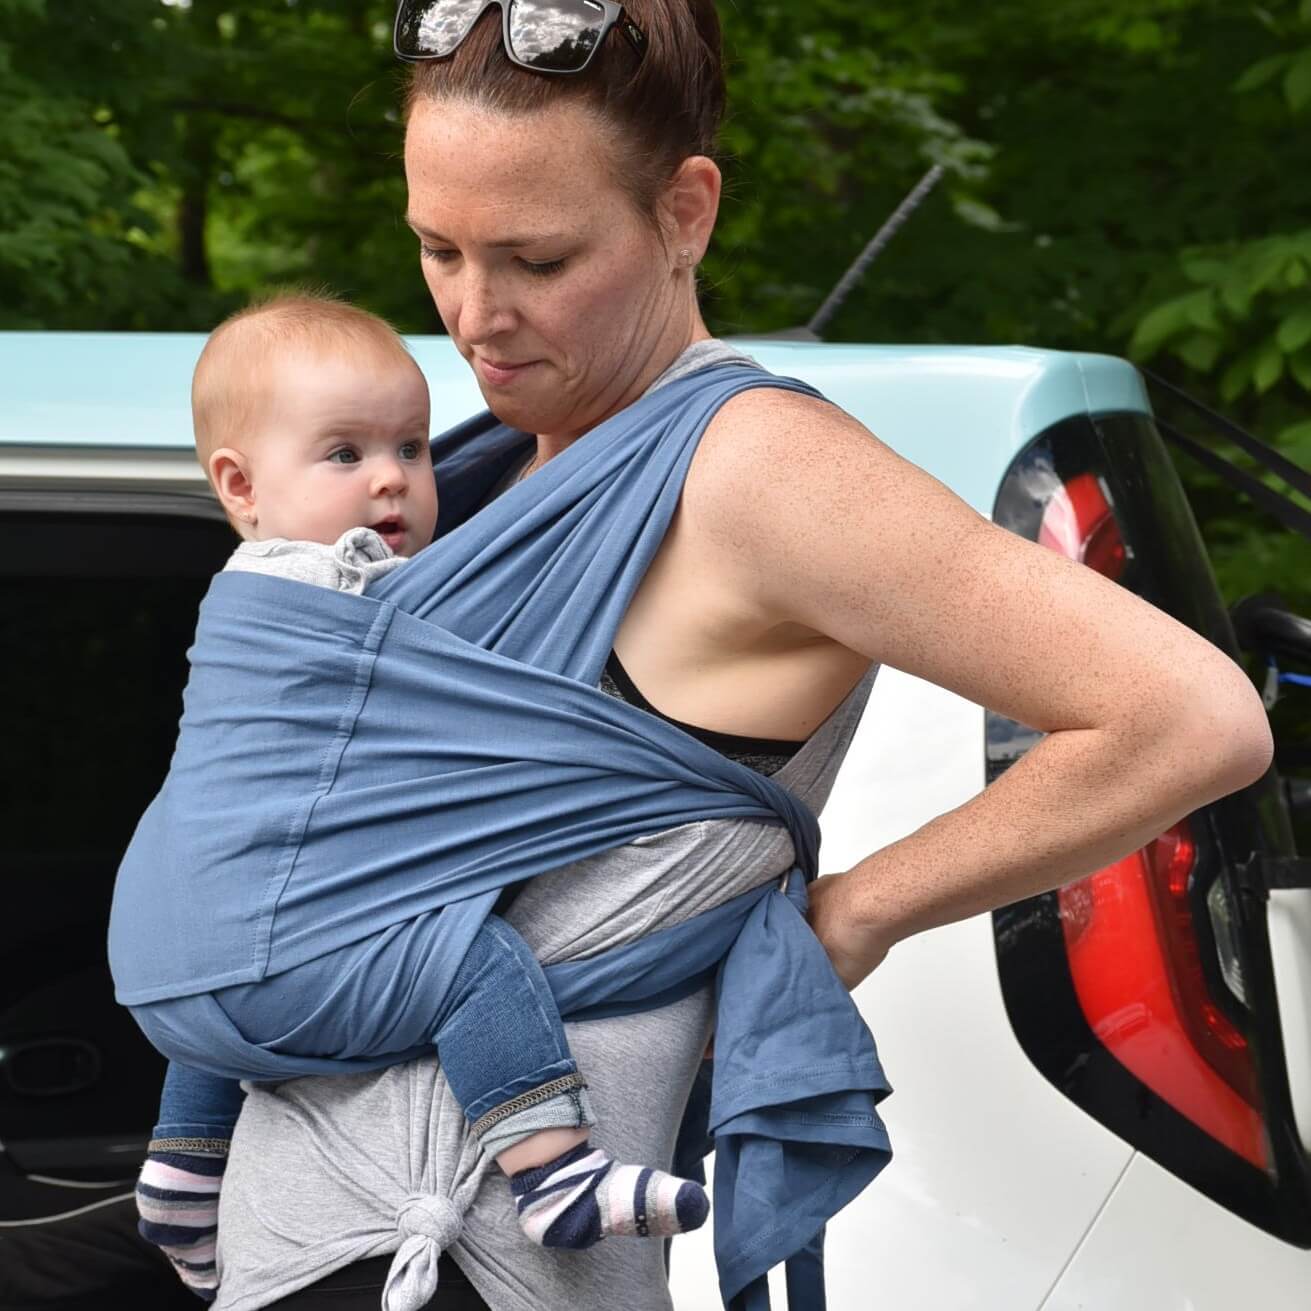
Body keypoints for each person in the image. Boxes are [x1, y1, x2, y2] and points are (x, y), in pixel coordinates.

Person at [197, 2, 1273, 1308]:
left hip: (468, 1253)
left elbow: (1188, 714)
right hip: (305, 1241)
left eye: (536, 257)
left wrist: (859, 910)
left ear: (683, 211)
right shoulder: (469, 464)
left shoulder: (751, 470)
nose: (475, 312)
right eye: (437, 247)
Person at [121, 291, 711, 1302]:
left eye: (413, 447)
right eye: (346, 456)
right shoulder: (341, 589)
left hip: (172, 945)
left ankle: (183, 1167)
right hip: (264, 931)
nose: (392, 479)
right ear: (239, 485)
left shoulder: (246, 588)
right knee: (469, 959)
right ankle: (552, 1170)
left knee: (237, 948)